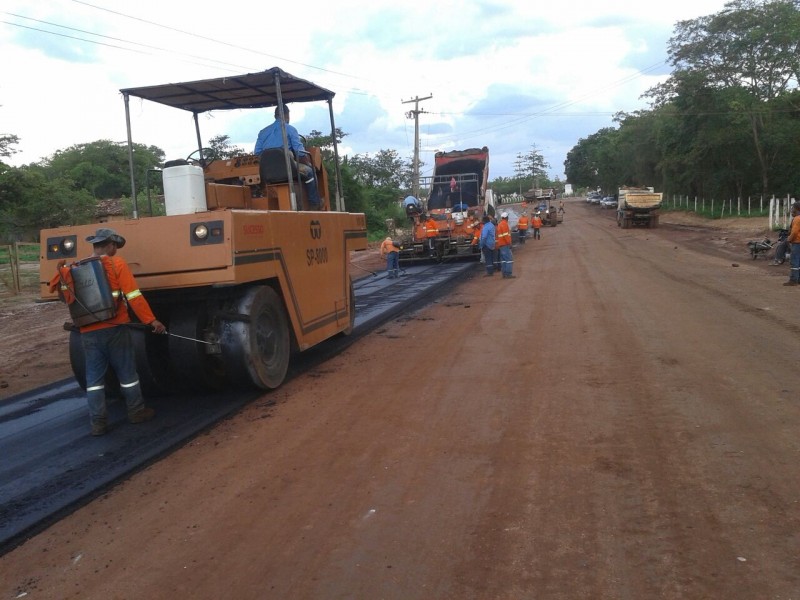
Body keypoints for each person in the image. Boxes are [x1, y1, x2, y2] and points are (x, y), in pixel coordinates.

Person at [50, 228, 166, 436]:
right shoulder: (116, 263)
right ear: (111, 245)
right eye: (115, 246)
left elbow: (64, 297)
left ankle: (98, 423)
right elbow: (133, 296)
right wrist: (151, 320)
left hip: (88, 332)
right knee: (127, 373)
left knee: (94, 379)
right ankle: (136, 411)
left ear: (95, 245)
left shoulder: (73, 269)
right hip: (115, 328)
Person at [254, 104, 321, 207]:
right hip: (287, 168)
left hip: (268, 172)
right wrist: (309, 163)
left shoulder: (263, 132)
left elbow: (257, 153)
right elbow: (300, 153)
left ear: (275, 115)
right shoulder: (290, 129)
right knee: (311, 173)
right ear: (287, 115)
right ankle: (315, 204)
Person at [783, 201, 800, 286]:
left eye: (793, 208)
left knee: (794, 261)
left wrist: (789, 239)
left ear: (796, 209)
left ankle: (793, 280)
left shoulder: (797, 219)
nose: (792, 210)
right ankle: (798, 279)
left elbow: (794, 232)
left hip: (797, 243)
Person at [496, 212, 515, 278]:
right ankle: (508, 274)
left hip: (501, 244)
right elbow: (506, 235)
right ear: (506, 217)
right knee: (509, 259)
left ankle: (504, 273)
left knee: (504, 260)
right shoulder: (504, 224)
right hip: (505, 244)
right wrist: (509, 243)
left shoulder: (500, 224)